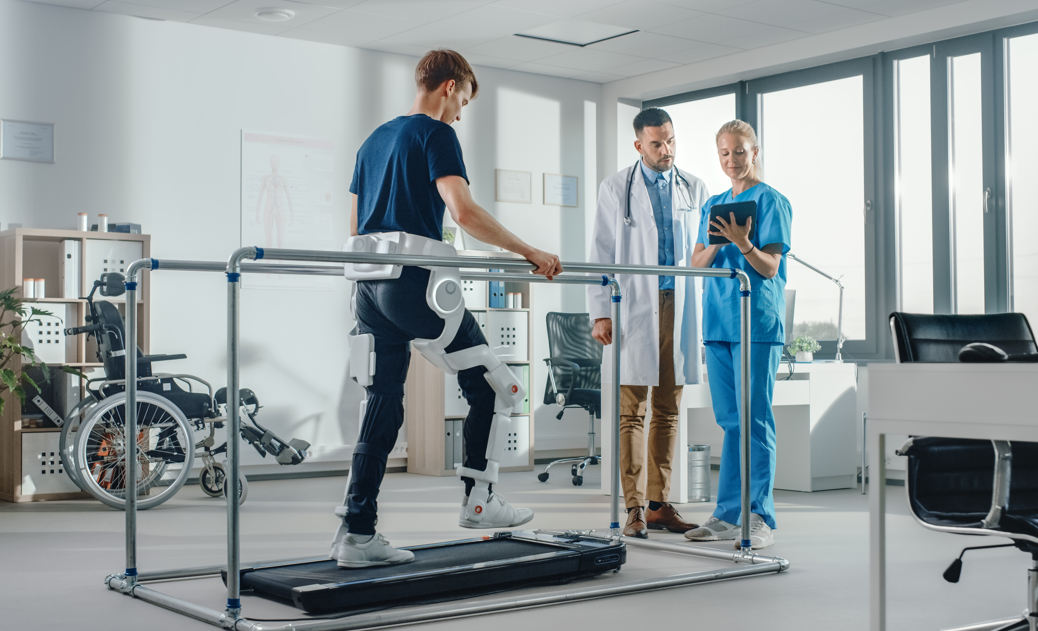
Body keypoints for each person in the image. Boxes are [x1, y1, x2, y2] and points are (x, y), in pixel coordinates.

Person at [337, 50, 563, 568]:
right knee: (494, 383)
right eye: (463, 99)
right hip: (415, 286)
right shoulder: (436, 134)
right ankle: (480, 502)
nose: (461, 112)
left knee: (383, 402)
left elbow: (355, 225)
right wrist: (530, 251)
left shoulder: (373, 141)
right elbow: (462, 212)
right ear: (450, 86)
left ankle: (357, 532)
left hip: (370, 290)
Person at [587, 108, 708, 539]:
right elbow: (601, 253)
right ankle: (634, 508)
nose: (666, 150)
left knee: (668, 411)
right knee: (630, 412)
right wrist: (600, 310)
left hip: (680, 306)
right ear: (639, 145)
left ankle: (659, 504)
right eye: (657, 143)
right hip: (633, 306)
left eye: (671, 140)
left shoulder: (695, 187)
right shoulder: (616, 187)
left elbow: (703, 254)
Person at [684, 120, 791, 550]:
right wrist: (718, 242)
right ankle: (728, 514)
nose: (732, 161)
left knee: (756, 420)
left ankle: (760, 515)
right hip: (718, 325)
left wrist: (743, 243)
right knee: (731, 423)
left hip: (757, 324)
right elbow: (696, 265)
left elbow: (770, 267)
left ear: (755, 151)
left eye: (740, 152)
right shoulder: (714, 204)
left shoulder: (772, 201)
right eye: (725, 154)